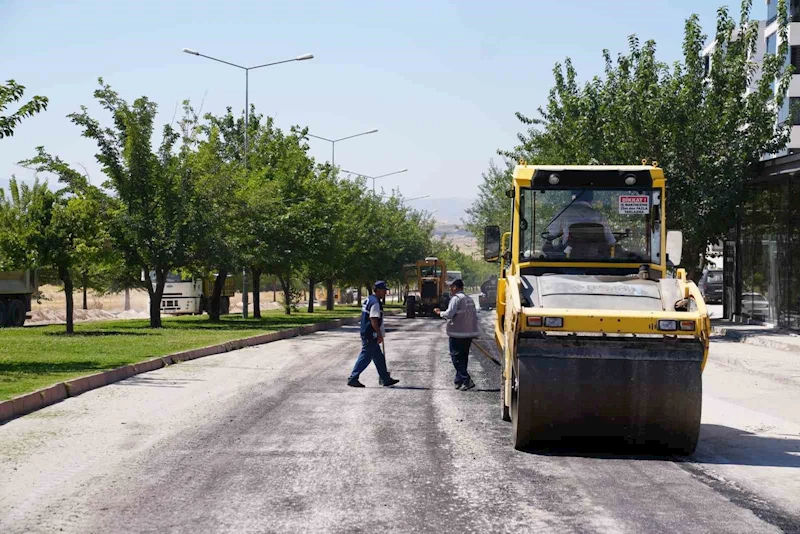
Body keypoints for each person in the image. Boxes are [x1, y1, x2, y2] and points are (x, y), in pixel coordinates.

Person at [347, 281, 399, 388]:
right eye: (384, 290)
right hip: (370, 333)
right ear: (378, 290)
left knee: (379, 357)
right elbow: (373, 319)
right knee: (366, 356)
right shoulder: (375, 303)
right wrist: (379, 334)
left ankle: (385, 378)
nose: (385, 293)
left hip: (367, 332)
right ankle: (353, 378)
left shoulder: (370, 299)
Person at [434, 279, 481, 390]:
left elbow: (449, 314)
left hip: (457, 334)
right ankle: (459, 380)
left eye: (451, 287)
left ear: (455, 287)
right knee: (463, 358)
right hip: (467, 333)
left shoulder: (456, 299)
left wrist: (439, 312)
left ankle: (466, 379)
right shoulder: (469, 299)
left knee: (455, 357)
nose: (450, 289)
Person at [547, 190, 616, 248]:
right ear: (591, 198)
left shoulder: (564, 211)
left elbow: (553, 232)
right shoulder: (597, 215)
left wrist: (562, 230)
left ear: (573, 196)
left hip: (569, 255)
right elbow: (610, 241)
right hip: (595, 256)